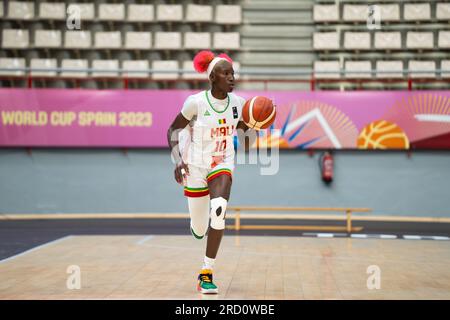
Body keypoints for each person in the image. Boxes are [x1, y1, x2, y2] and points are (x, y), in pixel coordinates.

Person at [167, 50, 250, 294]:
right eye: (226, 73)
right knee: (201, 228)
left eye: (233, 73)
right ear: (212, 77)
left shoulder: (239, 105)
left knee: (219, 211)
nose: (232, 77)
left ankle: (206, 272)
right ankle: (197, 225)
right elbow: (172, 130)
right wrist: (177, 160)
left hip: (222, 164)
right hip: (195, 166)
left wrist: (256, 125)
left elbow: (246, 143)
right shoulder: (196, 102)